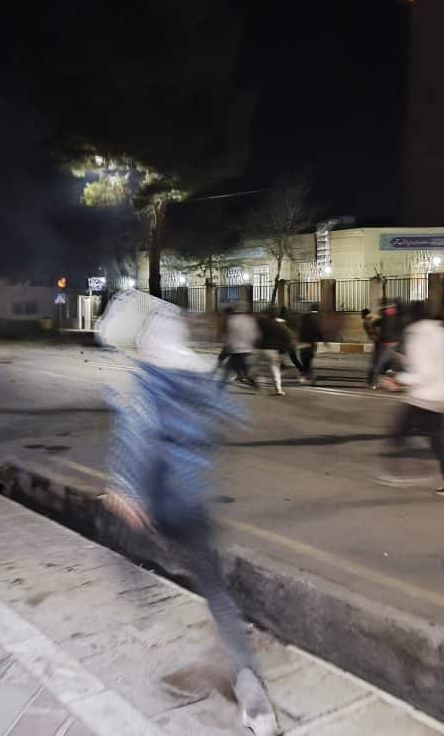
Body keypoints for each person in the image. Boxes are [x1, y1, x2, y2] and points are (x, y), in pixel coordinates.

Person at [96, 293, 279, 735]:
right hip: (193, 503)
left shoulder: (148, 385)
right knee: (216, 593)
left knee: (111, 530)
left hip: (158, 504)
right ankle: (252, 692)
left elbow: (137, 437)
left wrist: (126, 489)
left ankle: (142, 595)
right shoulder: (196, 381)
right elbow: (230, 415)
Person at [377, 303, 444, 498]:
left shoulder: (417, 334)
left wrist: (397, 380)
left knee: (400, 432)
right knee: (437, 440)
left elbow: (425, 373)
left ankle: (396, 472)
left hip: (425, 397)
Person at [220, 307, 260, 389]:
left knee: (235, 367)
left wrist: (226, 348)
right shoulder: (249, 320)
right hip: (247, 348)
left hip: (235, 348)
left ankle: (252, 382)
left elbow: (229, 335)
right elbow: (256, 334)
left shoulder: (231, 320)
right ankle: (241, 377)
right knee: (237, 366)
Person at [255, 310, 291, 395]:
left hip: (261, 349)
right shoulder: (278, 325)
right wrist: (282, 351)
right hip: (273, 350)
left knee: (258, 369)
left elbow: (256, 333)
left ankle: (259, 387)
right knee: (275, 369)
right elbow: (286, 337)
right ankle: (278, 389)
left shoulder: (262, 323)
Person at [298, 304, 324, 384]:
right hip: (311, 344)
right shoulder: (316, 319)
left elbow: (299, 330)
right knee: (307, 361)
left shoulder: (304, 319)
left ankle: (306, 376)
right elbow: (318, 331)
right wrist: (323, 340)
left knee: (305, 361)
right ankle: (307, 377)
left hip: (303, 343)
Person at [362, 308, 381, 386]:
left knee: (375, 361)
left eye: (361, 314)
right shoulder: (376, 317)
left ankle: (371, 381)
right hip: (384, 340)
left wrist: (375, 338)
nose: (361, 316)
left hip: (379, 341)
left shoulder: (366, 321)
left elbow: (371, 332)